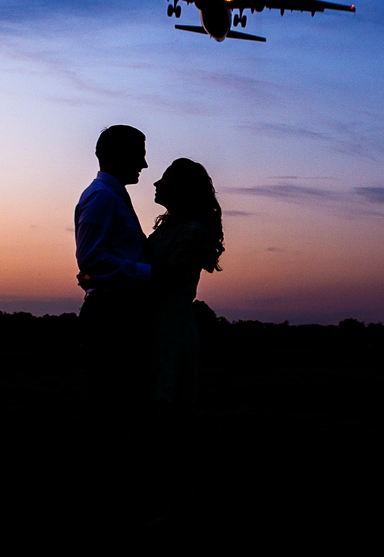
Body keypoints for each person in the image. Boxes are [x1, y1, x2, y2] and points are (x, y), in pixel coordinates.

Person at [73, 124, 151, 524]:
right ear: (117, 153)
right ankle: (101, 501)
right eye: (139, 153)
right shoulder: (103, 197)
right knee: (110, 408)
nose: (144, 162)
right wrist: (149, 274)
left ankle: (105, 494)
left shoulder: (111, 195)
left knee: (117, 407)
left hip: (118, 313)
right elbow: (92, 261)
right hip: (111, 316)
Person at [143, 158, 224, 524]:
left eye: (166, 179)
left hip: (171, 328)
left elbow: (165, 277)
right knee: (155, 422)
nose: (156, 183)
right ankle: (177, 501)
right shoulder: (165, 229)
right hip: (152, 326)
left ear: (184, 188)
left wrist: (116, 276)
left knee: (170, 421)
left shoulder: (192, 231)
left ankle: (183, 504)